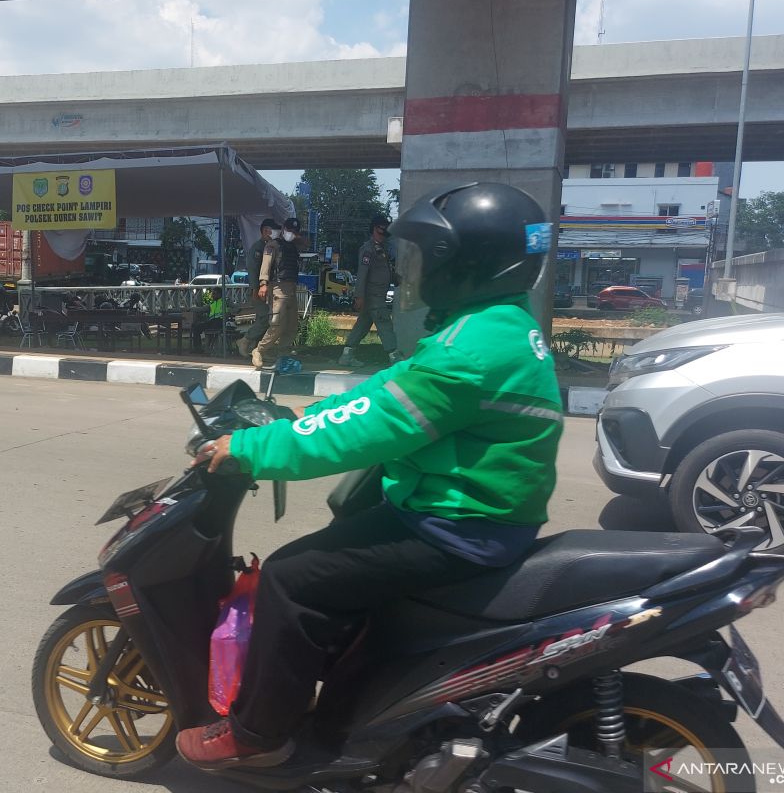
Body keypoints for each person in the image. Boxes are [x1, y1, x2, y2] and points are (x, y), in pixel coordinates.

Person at [174, 182, 564, 770]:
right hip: (474, 513)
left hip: (454, 523)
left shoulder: (469, 352)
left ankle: (259, 736)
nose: (415, 271)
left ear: (469, 263)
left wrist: (250, 447)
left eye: (427, 258)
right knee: (348, 536)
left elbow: (363, 432)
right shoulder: (497, 326)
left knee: (290, 577)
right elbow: (389, 390)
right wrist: (310, 415)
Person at [339, 214, 399, 368]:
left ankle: (347, 355)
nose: (385, 231)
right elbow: (363, 273)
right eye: (382, 227)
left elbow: (385, 270)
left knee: (362, 326)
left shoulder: (382, 248)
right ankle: (394, 357)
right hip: (374, 295)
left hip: (376, 295)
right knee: (385, 323)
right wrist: (359, 296)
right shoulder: (368, 249)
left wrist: (397, 278)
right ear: (375, 228)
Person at [251, 217, 302, 369]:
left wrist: (297, 238)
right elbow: (265, 265)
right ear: (283, 229)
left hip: (291, 288)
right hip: (278, 287)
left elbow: (307, 244)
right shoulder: (273, 245)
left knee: (291, 325)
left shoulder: (293, 246)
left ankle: (283, 354)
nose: (291, 233)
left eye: (295, 231)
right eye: (289, 230)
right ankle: (259, 350)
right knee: (277, 324)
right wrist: (263, 284)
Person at [236, 219, 279, 358]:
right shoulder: (258, 248)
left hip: (269, 290)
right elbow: (253, 269)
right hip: (259, 290)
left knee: (264, 318)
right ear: (265, 231)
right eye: (271, 230)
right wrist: (255, 288)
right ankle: (245, 340)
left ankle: (257, 349)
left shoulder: (271, 247)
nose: (273, 233)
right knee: (265, 319)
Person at [191, 288, 227, 353]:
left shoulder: (225, 302)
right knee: (196, 327)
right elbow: (201, 309)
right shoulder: (212, 304)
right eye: (212, 294)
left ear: (219, 294)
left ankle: (203, 348)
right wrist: (191, 309)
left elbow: (234, 308)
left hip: (221, 322)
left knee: (203, 327)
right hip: (212, 322)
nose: (212, 295)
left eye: (214, 294)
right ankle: (198, 348)